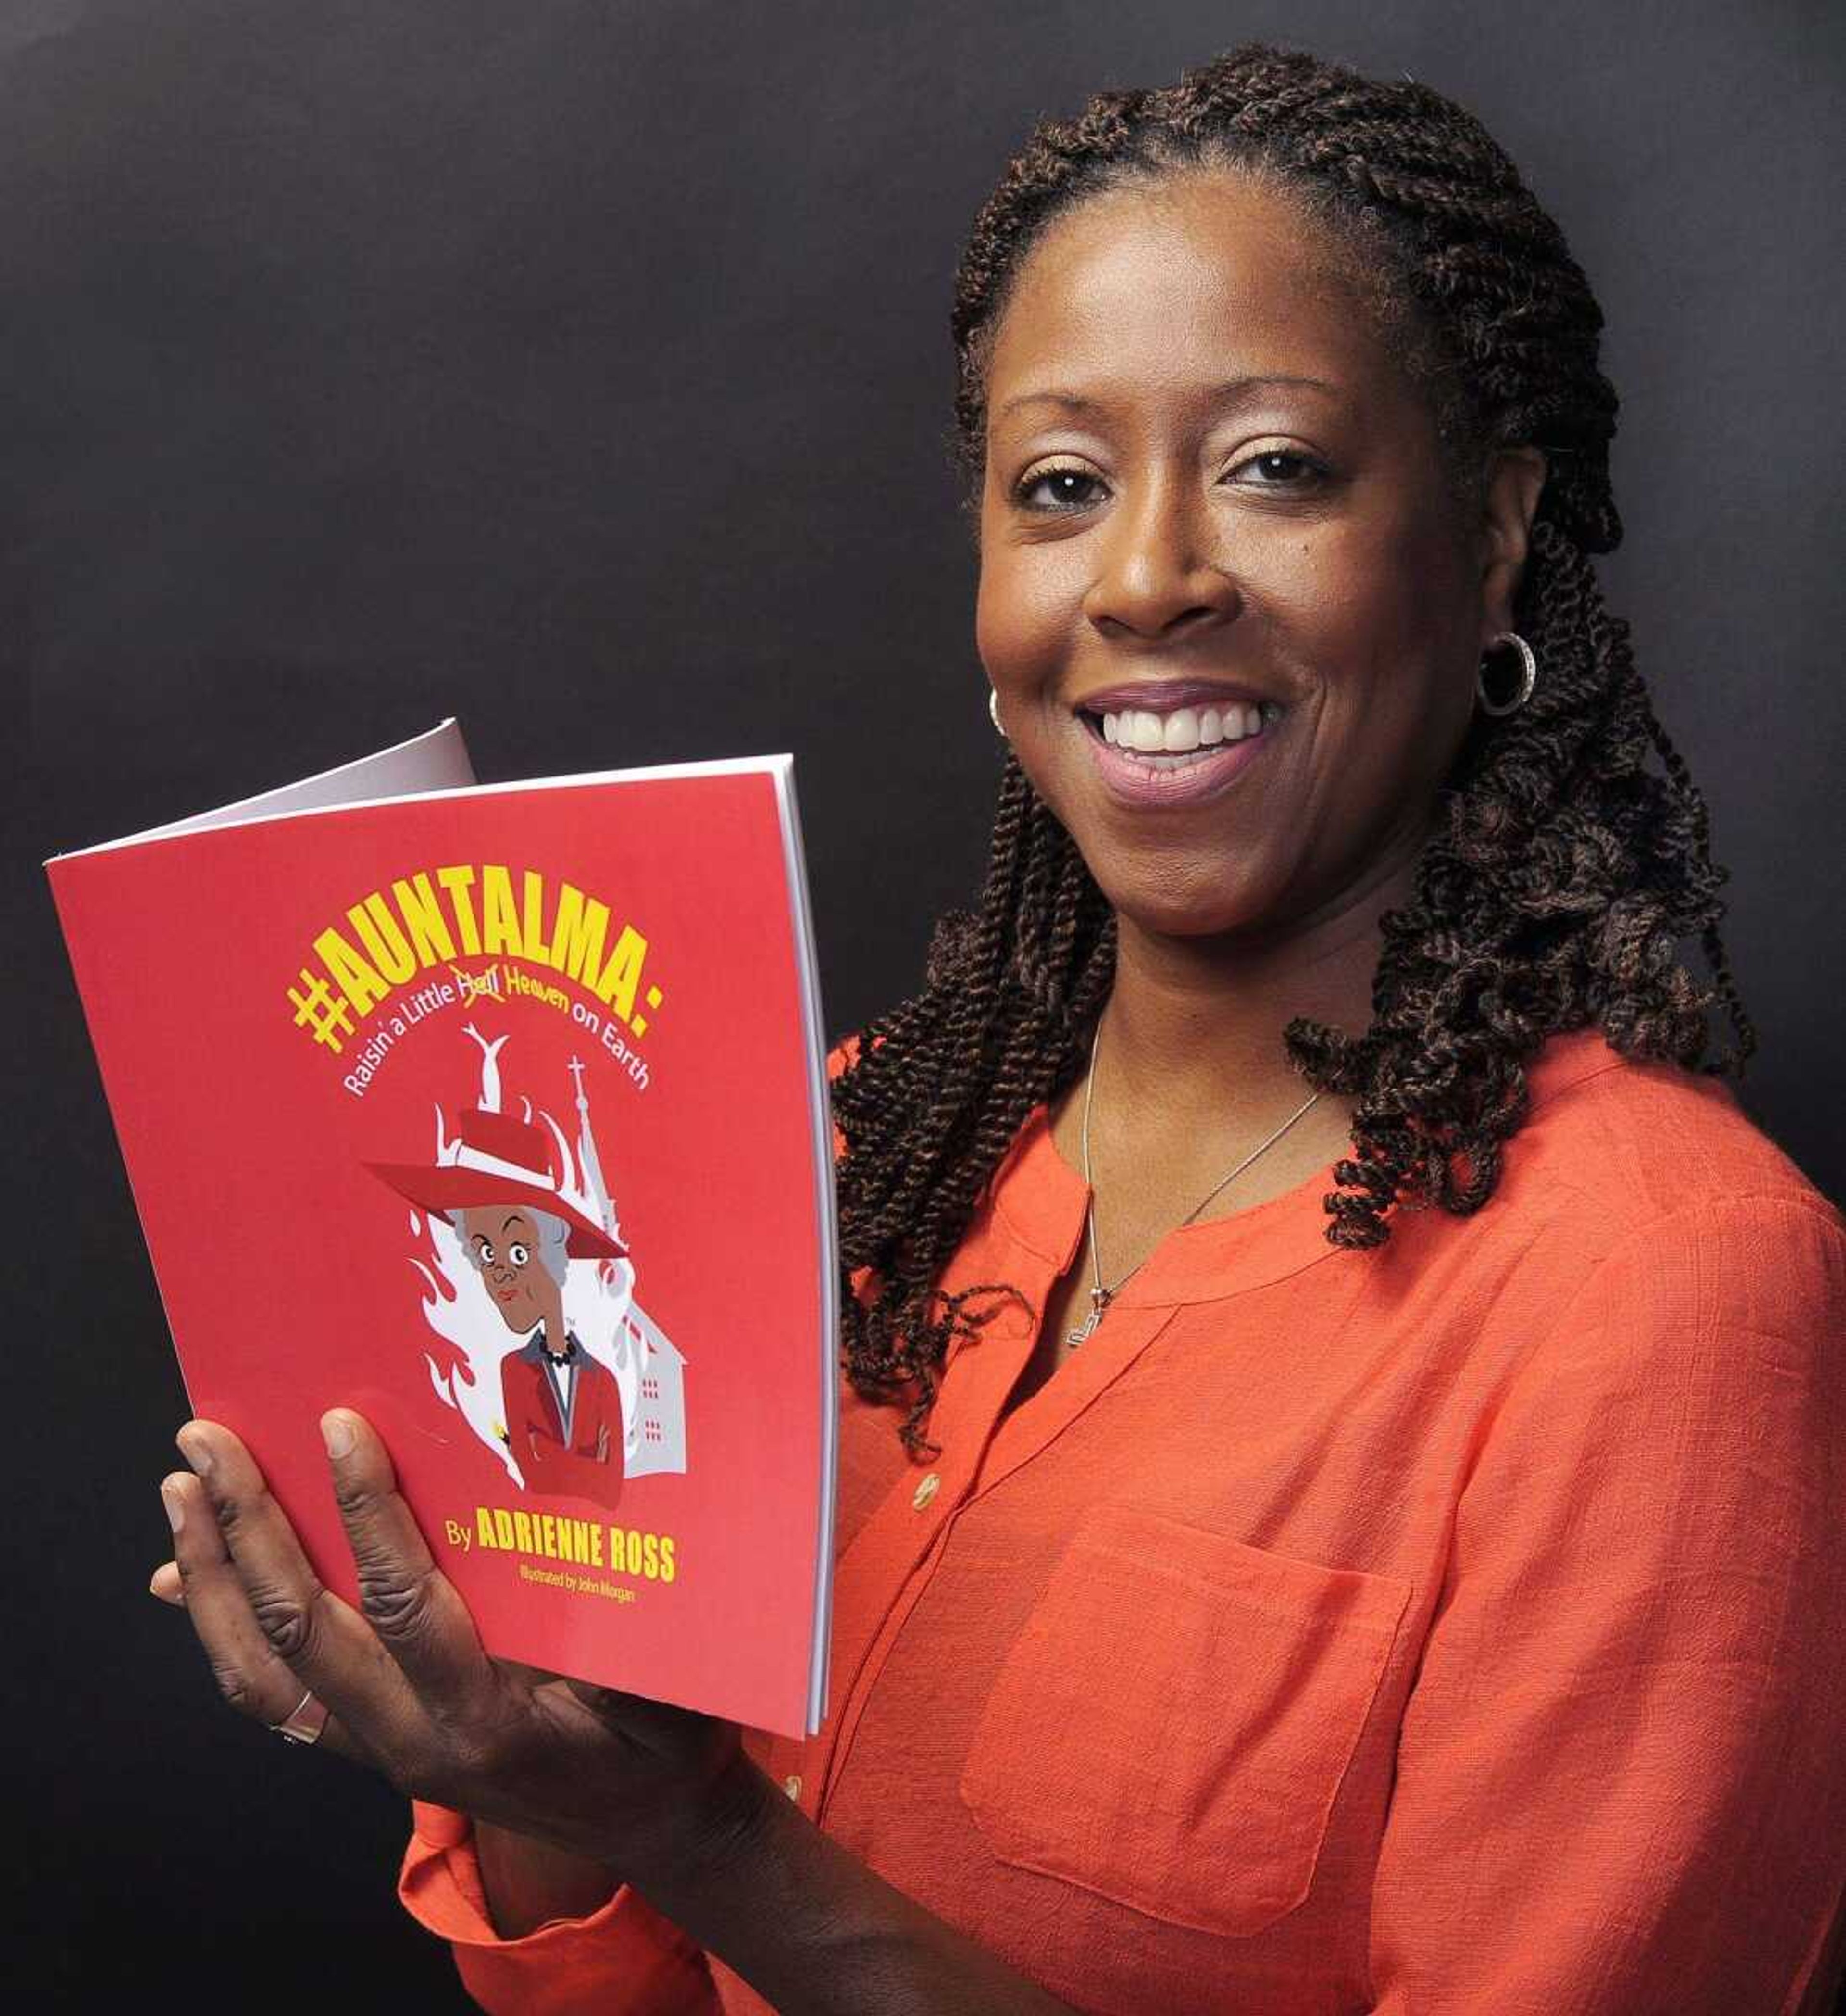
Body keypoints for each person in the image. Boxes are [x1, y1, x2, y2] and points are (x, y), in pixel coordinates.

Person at [147, 42, 1846, 2016]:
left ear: (1487, 544)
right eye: (1060, 486)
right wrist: (523, 1761)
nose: (1145, 577)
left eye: (1276, 466)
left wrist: (711, 1840)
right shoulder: (844, 1150)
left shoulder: (1663, 1291)